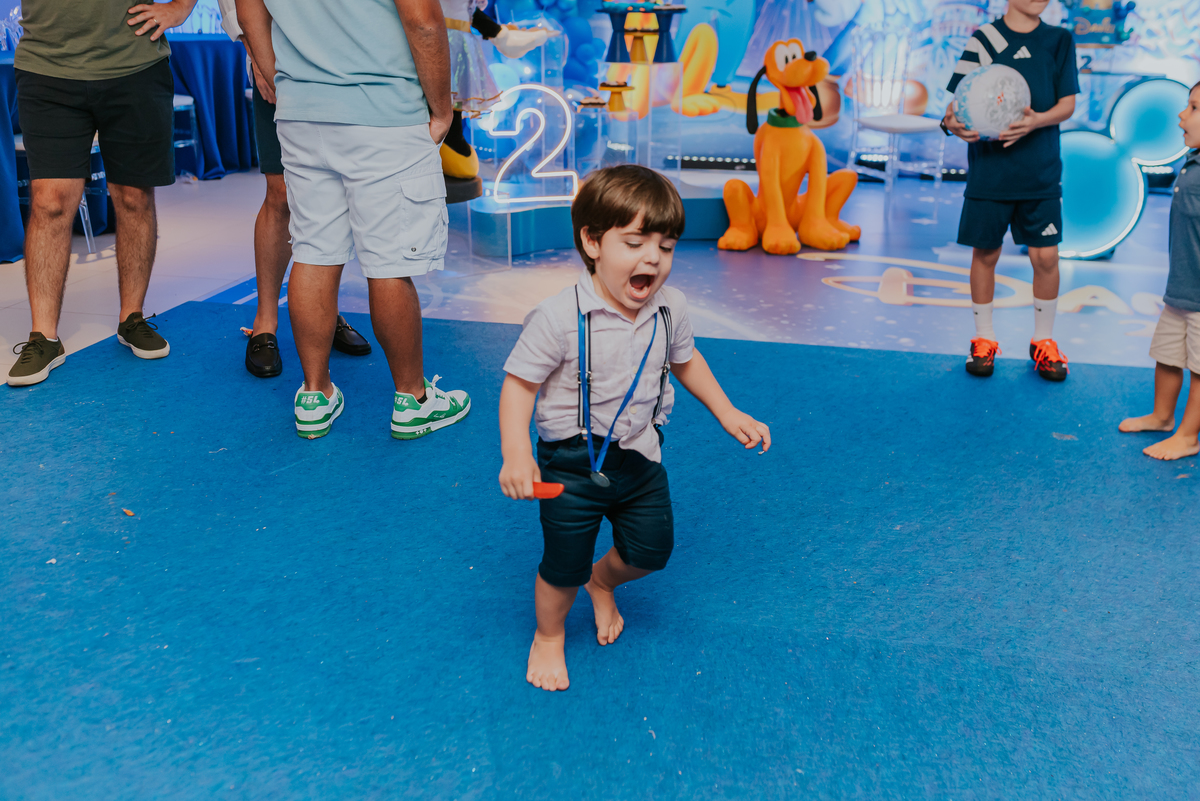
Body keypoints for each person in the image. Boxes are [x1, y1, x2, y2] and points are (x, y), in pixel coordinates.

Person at [497, 165, 772, 692]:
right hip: (572, 464)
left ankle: (603, 581)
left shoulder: (671, 307)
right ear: (593, 242)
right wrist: (516, 453)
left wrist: (728, 411)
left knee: (651, 551)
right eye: (636, 242)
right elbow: (519, 386)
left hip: (642, 456)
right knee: (562, 565)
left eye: (666, 247)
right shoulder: (558, 317)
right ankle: (549, 636)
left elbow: (687, 361)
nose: (654, 258)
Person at [237, 0, 470, 439]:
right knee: (389, 263)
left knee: (312, 250)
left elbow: (249, 16)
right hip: (383, 112)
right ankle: (414, 400)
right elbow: (422, 20)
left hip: (302, 114)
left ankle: (315, 394)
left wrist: (289, 85)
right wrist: (442, 110)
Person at [6, 0, 198, 387]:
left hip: (135, 64)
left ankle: (133, 318)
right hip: (47, 65)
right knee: (50, 203)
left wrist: (180, 8)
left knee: (133, 196)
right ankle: (43, 337)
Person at [215, 0, 372, 378]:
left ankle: (324, 312)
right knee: (281, 192)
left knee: (335, 193)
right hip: (277, 55)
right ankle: (265, 320)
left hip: (344, 64)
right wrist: (257, 52)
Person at [941, 0, 1079, 381]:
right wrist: (952, 124)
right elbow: (955, 108)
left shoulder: (1059, 39)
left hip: (1041, 172)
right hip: (991, 173)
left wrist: (1037, 122)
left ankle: (1043, 341)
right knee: (986, 255)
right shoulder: (984, 39)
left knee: (1046, 258)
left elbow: (1067, 104)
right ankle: (983, 340)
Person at [1118, 82, 1200, 461]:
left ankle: (1187, 435)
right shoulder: (1192, 161)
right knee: (1167, 353)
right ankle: (1163, 416)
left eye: (1194, 108)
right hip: (1180, 287)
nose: (1182, 115)